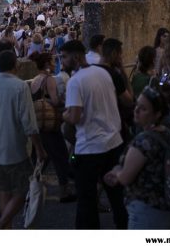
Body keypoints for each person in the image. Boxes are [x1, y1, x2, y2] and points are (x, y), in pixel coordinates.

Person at [62, 39, 127, 229]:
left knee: (86, 202)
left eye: (64, 57)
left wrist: (63, 115)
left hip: (89, 148)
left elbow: (74, 116)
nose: (62, 61)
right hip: (113, 142)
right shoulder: (103, 73)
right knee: (117, 197)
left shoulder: (75, 81)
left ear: (76, 57)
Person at [0, 50, 46, 229]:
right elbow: (29, 122)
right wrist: (39, 148)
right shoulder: (20, 87)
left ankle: (5, 229)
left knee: (3, 190)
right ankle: (1, 225)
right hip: (15, 149)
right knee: (24, 188)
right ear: (16, 65)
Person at [104, 87, 170, 229]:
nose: (137, 110)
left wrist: (117, 172)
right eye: (137, 105)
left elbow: (126, 177)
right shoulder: (166, 132)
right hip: (168, 206)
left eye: (144, 109)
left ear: (157, 114)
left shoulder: (144, 141)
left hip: (147, 210)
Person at [28, 52, 75, 203]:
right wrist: (65, 101)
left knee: (41, 158)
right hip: (50, 125)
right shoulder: (49, 79)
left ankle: (30, 188)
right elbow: (54, 101)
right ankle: (64, 192)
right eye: (53, 62)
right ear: (47, 64)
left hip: (39, 124)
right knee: (61, 157)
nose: (56, 64)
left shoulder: (35, 80)